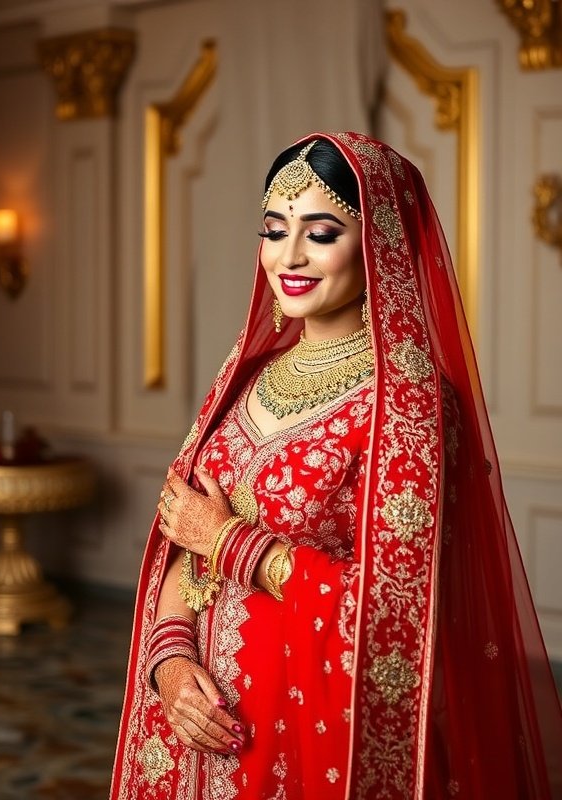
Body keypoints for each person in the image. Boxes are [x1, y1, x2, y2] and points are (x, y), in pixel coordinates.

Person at [110, 133, 562, 799]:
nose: (288, 256)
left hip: (307, 739)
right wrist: (170, 662)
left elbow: (394, 617)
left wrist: (228, 540)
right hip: (195, 734)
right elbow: (185, 537)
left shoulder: (409, 407)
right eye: (274, 229)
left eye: (320, 233)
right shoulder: (244, 379)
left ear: (378, 245)